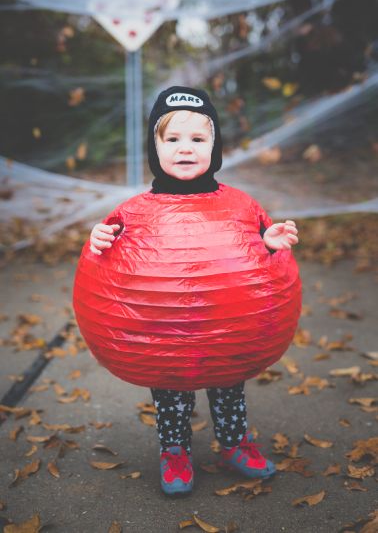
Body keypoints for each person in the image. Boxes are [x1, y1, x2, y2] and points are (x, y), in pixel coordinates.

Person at [88, 86, 299, 496]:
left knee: (229, 383)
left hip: (226, 326)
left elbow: (260, 250)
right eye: (173, 139)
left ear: (214, 147)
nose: (186, 149)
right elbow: (106, 252)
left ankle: (235, 443)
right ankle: (174, 450)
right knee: (170, 390)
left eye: (198, 139)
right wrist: (97, 239)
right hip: (165, 331)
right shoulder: (134, 212)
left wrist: (269, 240)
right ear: (156, 146)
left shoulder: (241, 205)